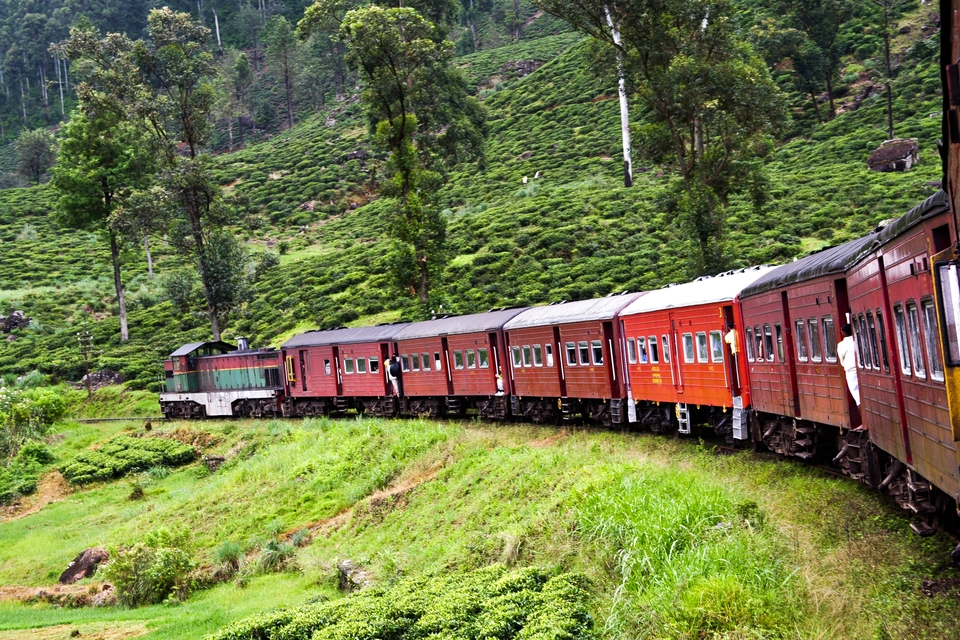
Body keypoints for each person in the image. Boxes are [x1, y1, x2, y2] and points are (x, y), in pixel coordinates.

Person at [836, 323, 864, 428]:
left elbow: (842, 360)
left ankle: (863, 422)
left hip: (851, 372)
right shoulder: (857, 341)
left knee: (857, 397)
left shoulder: (841, 345)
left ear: (844, 332)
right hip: (861, 370)